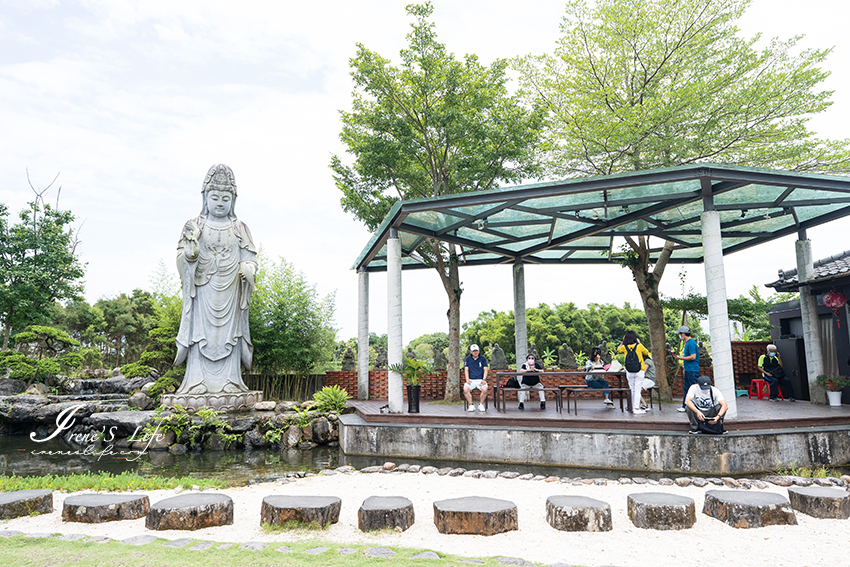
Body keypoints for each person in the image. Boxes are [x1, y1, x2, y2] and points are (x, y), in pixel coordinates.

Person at [174, 164, 257, 395]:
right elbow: (182, 256)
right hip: (202, 291)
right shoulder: (194, 225)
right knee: (200, 336)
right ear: (205, 198)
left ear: (233, 201)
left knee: (231, 335)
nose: (220, 203)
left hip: (231, 292)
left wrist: (247, 268)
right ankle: (196, 382)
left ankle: (231, 382)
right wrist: (189, 256)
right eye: (215, 197)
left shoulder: (240, 228)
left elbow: (251, 258)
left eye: (225, 198)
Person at [617, 331, 651, 414]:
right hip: (639, 371)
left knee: (631, 389)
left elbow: (618, 349)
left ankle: (631, 407)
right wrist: (639, 342)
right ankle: (636, 408)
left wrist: (623, 341)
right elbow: (646, 352)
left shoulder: (624, 347)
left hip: (629, 371)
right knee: (637, 389)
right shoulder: (639, 346)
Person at [673, 326, 699, 413]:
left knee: (693, 388)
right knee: (687, 388)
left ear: (683, 334)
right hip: (689, 369)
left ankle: (695, 406)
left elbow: (693, 356)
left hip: (693, 370)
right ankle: (685, 406)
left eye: (680, 334)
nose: (679, 336)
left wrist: (680, 358)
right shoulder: (687, 343)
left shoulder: (691, 343)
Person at [463, 344, 489, 412]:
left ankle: (481, 404)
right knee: (465, 390)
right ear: (471, 352)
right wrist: (467, 380)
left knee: (485, 389)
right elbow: (466, 370)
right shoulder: (468, 359)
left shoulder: (482, 358)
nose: (475, 352)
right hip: (471, 380)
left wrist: (484, 379)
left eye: (476, 350)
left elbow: (485, 369)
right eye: (474, 351)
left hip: (480, 380)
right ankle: (471, 405)